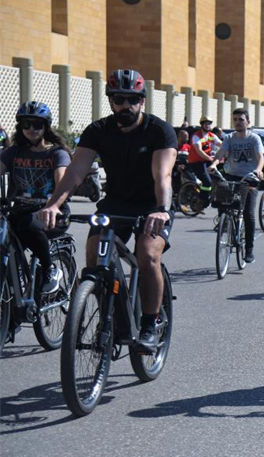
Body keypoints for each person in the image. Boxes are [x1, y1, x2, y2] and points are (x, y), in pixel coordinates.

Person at [38, 69, 177, 353]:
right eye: (119, 100)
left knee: (148, 254)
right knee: (94, 257)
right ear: (111, 102)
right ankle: (111, 315)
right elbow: (75, 172)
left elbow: (162, 176)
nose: (126, 106)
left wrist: (162, 210)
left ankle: (150, 324)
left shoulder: (159, 131)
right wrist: (53, 204)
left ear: (142, 101)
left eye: (132, 100)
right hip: (115, 204)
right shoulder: (98, 130)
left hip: (152, 205)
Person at [0, 101, 71, 294]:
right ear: (20, 127)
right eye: (26, 124)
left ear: (46, 126)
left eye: (37, 124)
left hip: (53, 214)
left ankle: (49, 269)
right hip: (20, 211)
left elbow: (62, 183)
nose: (31, 129)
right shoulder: (13, 152)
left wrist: (53, 205)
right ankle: (13, 310)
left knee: (28, 224)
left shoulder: (57, 153)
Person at [209, 108, 264, 263]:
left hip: (249, 177)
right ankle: (224, 222)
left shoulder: (254, 139)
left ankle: (249, 250)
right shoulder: (229, 138)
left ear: (248, 121)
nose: (238, 122)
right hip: (231, 175)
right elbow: (221, 154)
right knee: (222, 201)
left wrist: (258, 170)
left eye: (241, 119)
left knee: (248, 213)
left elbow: (261, 157)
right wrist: (214, 164)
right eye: (235, 120)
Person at [185, 115, 220, 206]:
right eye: (206, 123)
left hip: (206, 160)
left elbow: (221, 144)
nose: (208, 125)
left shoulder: (211, 136)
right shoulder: (196, 136)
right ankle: (202, 200)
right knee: (207, 182)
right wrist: (209, 158)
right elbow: (199, 151)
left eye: (209, 124)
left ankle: (213, 194)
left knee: (220, 177)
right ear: (202, 124)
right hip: (196, 161)